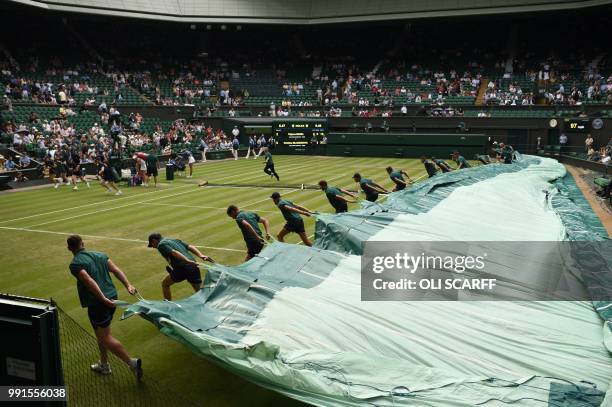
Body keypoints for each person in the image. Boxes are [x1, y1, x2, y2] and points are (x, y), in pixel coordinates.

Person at [66, 235, 142, 379]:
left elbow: (88, 280)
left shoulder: (75, 264)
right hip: (112, 298)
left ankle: (131, 363)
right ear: (83, 243)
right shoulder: (100, 255)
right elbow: (116, 269)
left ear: (69, 248)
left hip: (99, 303)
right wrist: (128, 285)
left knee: (105, 337)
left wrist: (102, 298)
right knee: (100, 333)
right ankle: (104, 364)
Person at [147, 233, 214, 300]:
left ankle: (168, 304)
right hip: (193, 266)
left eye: (152, 244)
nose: (153, 247)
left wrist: (187, 261)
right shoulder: (174, 240)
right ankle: (210, 303)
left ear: (154, 240)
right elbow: (189, 246)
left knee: (165, 284)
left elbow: (174, 252)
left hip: (182, 268)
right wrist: (200, 255)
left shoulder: (161, 245)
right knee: (200, 291)